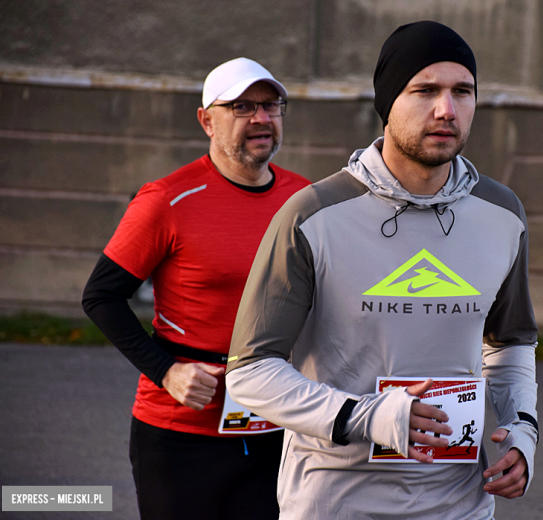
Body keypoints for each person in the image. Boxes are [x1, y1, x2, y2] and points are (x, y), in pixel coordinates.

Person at [226, 21, 539, 519]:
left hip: (458, 502)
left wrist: (522, 431)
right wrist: (366, 416)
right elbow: (250, 373)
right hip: (335, 500)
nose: (446, 110)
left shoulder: (502, 214)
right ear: (387, 102)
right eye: (425, 91)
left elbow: (510, 344)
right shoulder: (313, 215)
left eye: (463, 91)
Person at [82, 57, 310, 519]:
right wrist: (167, 372)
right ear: (207, 120)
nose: (262, 119)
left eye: (271, 105)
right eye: (243, 106)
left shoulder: (305, 200)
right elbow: (101, 296)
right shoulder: (167, 199)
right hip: (181, 432)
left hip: (278, 424)